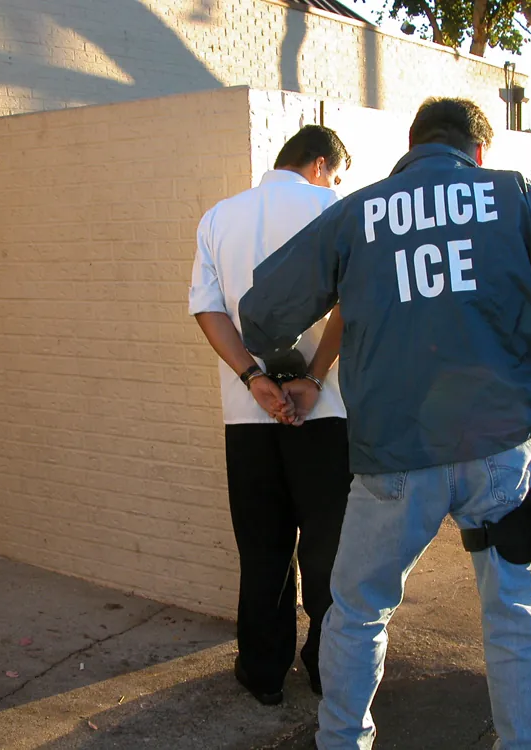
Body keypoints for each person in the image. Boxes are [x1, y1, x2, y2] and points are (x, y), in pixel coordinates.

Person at [238, 98, 531, 748]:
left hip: (394, 456)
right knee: (514, 616)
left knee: (359, 612)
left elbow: (260, 315)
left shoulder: (359, 213)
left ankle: (341, 742)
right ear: (477, 153)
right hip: (500, 451)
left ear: (413, 144)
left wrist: (296, 361)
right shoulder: (517, 199)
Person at [188, 125, 354, 706]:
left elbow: (207, 309)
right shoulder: (340, 208)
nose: (334, 183)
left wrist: (253, 378)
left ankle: (263, 672)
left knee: (263, 550)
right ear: (319, 164)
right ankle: (328, 669)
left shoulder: (219, 217)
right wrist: (311, 377)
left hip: (247, 416)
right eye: (335, 173)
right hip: (326, 413)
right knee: (329, 550)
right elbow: (352, 303)